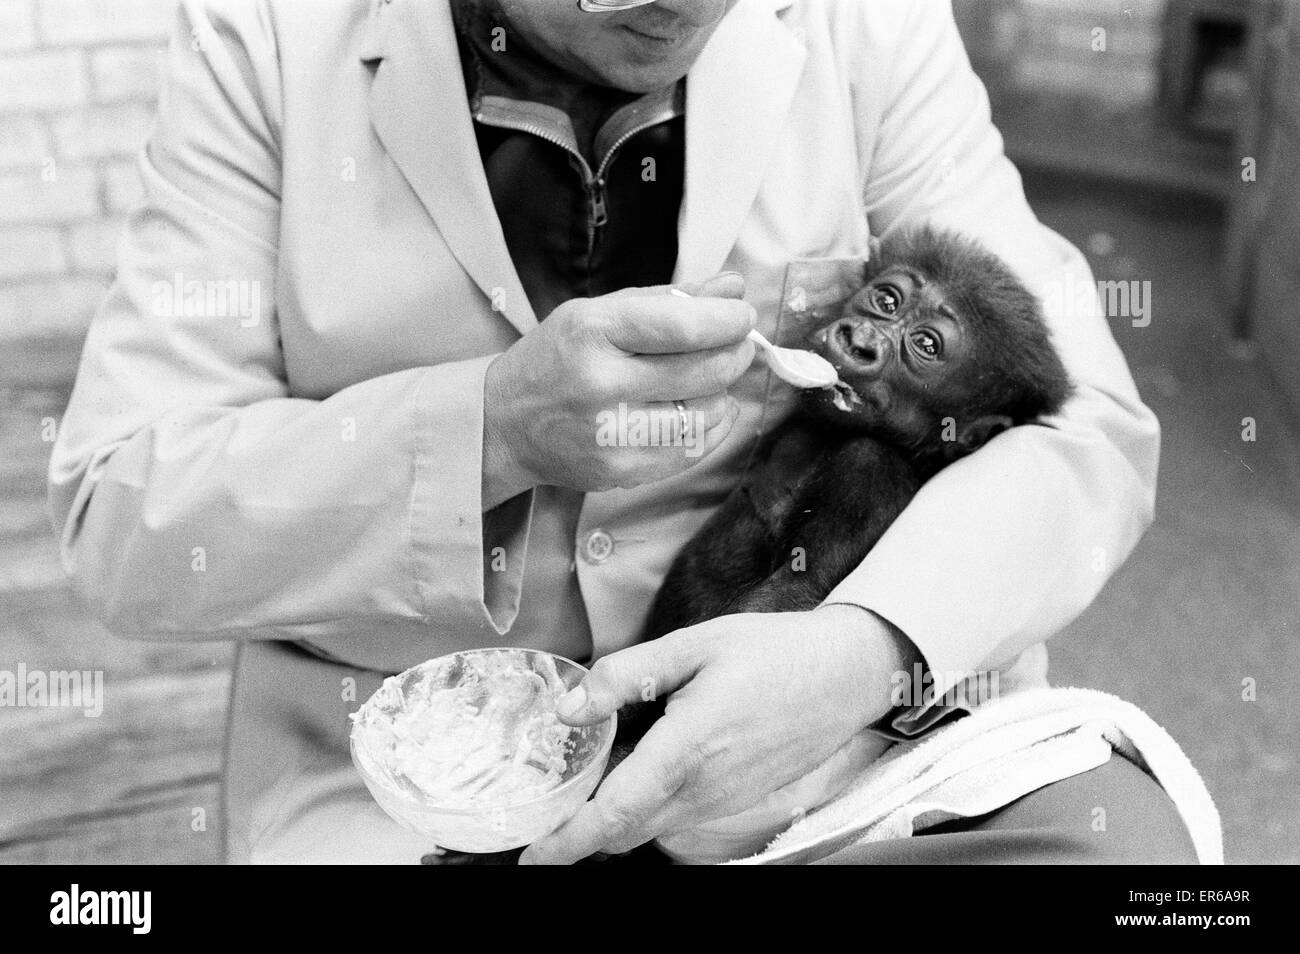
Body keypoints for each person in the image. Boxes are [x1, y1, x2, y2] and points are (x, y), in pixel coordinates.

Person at [48, 0, 1196, 864]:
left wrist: (858, 654)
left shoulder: (864, 23)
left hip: (834, 755)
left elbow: (1084, 425)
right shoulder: (266, 38)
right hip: (429, 786)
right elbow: (120, 510)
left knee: (1134, 861)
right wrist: (487, 431)